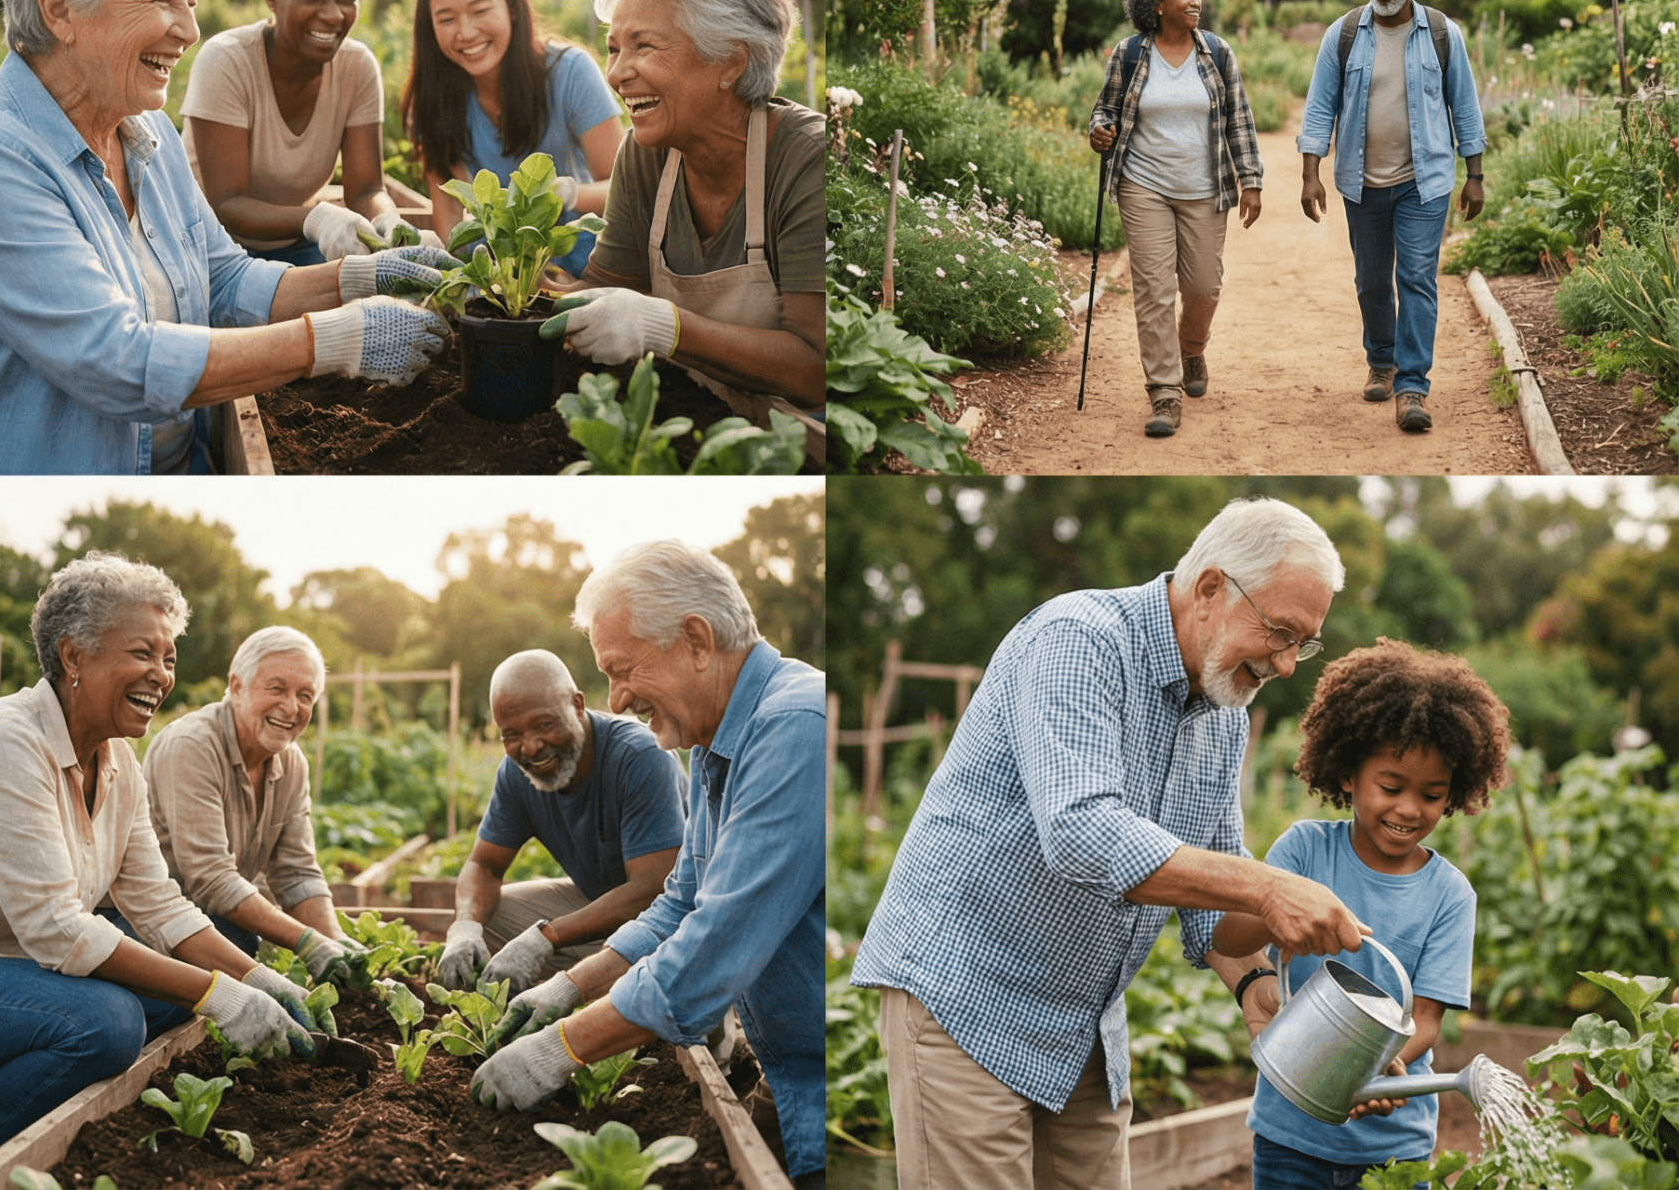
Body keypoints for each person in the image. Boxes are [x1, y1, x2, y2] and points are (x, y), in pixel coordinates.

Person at [849, 498, 1369, 1190]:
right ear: (1211, 588)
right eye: (1278, 630)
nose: (1285, 662)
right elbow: (1082, 832)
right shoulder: (1080, 639)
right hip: (965, 998)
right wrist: (1269, 886)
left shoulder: (1221, 715)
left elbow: (1211, 900)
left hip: (1083, 1027)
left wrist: (1257, 983)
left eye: (1303, 642)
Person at [0, 0, 454, 474]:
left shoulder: (146, 133)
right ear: (60, 10)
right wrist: (334, 340)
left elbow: (223, 282)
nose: (191, 30)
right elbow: (116, 361)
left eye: (192, 1)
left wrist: (361, 278)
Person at [468, 542, 826, 1188]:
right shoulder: (713, 741)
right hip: (787, 1072)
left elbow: (714, 944)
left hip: (820, 1085)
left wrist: (564, 1046)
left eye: (621, 668)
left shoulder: (794, 726)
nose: (618, 696)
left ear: (695, 639)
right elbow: (680, 899)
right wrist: (570, 985)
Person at [0, 553, 319, 1158]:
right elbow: (57, 930)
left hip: (39, 967)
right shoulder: (5, 740)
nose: (161, 674)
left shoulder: (119, 762)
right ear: (73, 655)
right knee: (107, 1024)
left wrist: (257, 980)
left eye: (168, 659)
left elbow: (158, 905)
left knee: (189, 974)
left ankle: (31, 1053)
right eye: (142, 653)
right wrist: (222, 996)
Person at [1217, 639, 1508, 1189]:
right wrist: (1275, 906)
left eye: (1431, 795)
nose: (1408, 809)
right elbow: (1229, 940)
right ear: (1349, 774)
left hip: (1394, 1144)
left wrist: (1366, 1070)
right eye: (1391, 786)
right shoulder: (1304, 852)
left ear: (1453, 796)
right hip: (1289, 1134)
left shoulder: (1450, 894)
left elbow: (1423, 1021)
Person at [536, 0, 831, 460]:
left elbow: (815, 369)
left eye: (643, 46)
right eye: (613, 49)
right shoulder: (646, 155)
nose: (617, 73)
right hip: (689, 420)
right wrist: (494, 283)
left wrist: (663, 325)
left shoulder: (807, 158)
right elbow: (597, 295)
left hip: (787, 443)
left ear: (730, 62)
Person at [1297, 0, 1489, 434]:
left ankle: (1411, 387)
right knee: (1372, 281)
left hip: (1423, 183)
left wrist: (1475, 175)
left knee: (1418, 279)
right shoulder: (1342, 35)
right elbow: (1320, 106)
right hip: (1362, 183)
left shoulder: (1443, 34)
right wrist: (1310, 174)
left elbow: (1464, 105)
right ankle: (1380, 359)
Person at [433, 649, 685, 996]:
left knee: (660, 990)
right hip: (604, 911)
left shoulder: (639, 757)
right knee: (488, 914)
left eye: (544, 725)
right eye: (511, 735)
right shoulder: (516, 774)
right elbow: (484, 865)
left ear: (578, 706)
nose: (531, 747)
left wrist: (545, 937)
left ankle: (675, 1016)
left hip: (678, 926)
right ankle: (524, 1011)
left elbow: (654, 888)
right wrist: (464, 927)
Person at [1085, 0, 1265, 438]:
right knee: (1154, 290)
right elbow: (1104, 109)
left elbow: (1238, 119)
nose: (1195, 1)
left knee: (1204, 288)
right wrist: (1099, 130)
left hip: (1205, 187)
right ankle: (1164, 392)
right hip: (1143, 185)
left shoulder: (1217, 53)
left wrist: (1251, 179)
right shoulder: (1129, 54)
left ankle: (1191, 349)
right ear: (1158, 4)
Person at [140, 625, 371, 979]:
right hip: (144, 922)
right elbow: (211, 879)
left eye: (305, 695)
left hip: (210, 922)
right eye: (276, 688)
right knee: (240, 940)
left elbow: (297, 872)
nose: (291, 707)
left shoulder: (291, 763)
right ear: (236, 687)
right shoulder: (192, 746)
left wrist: (334, 938)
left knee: (241, 938)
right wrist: (307, 941)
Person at [180, 0, 405, 266]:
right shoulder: (226, 61)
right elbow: (227, 204)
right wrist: (317, 219)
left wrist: (389, 221)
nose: (333, 15)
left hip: (299, 245)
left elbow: (366, 190)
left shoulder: (357, 67)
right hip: (210, 248)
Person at [406, 0, 622, 276]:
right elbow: (448, 215)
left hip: (583, 271)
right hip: (502, 276)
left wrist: (562, 193)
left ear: (513, 8)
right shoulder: (436, 98)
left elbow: (623, 186)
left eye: (480, 11)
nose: (465, 32)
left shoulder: (570, 72)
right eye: (446, 19)